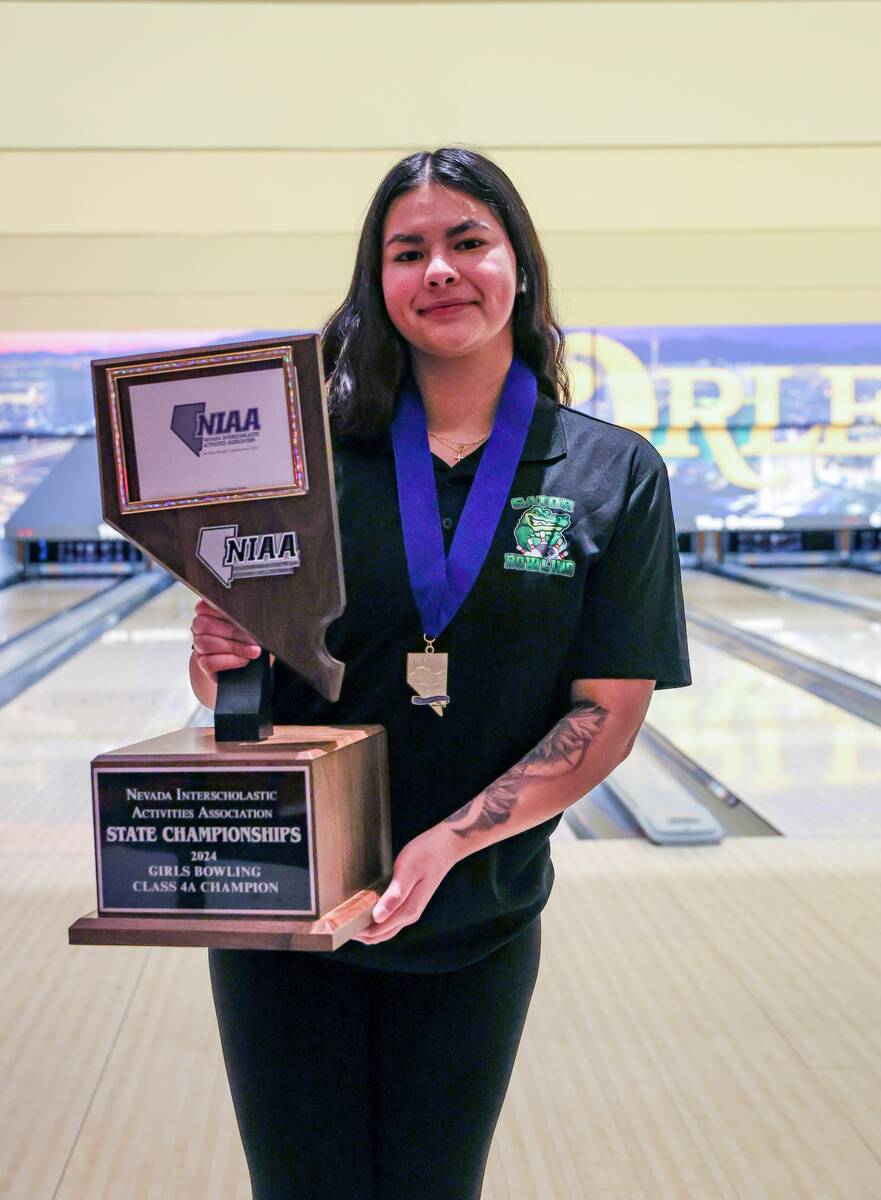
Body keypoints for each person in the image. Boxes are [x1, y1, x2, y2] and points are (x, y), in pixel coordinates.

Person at [189, 147, 691, 1200]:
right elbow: (242, 696)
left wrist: (452, 841)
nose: (439, 271)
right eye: (406, 251)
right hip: (290, 912)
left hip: (477, 913)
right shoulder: (304, 461)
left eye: (467, 242)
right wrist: (220, 664)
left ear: (519, 265)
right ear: (377, 282)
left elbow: (605, 710)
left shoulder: (609, 472)